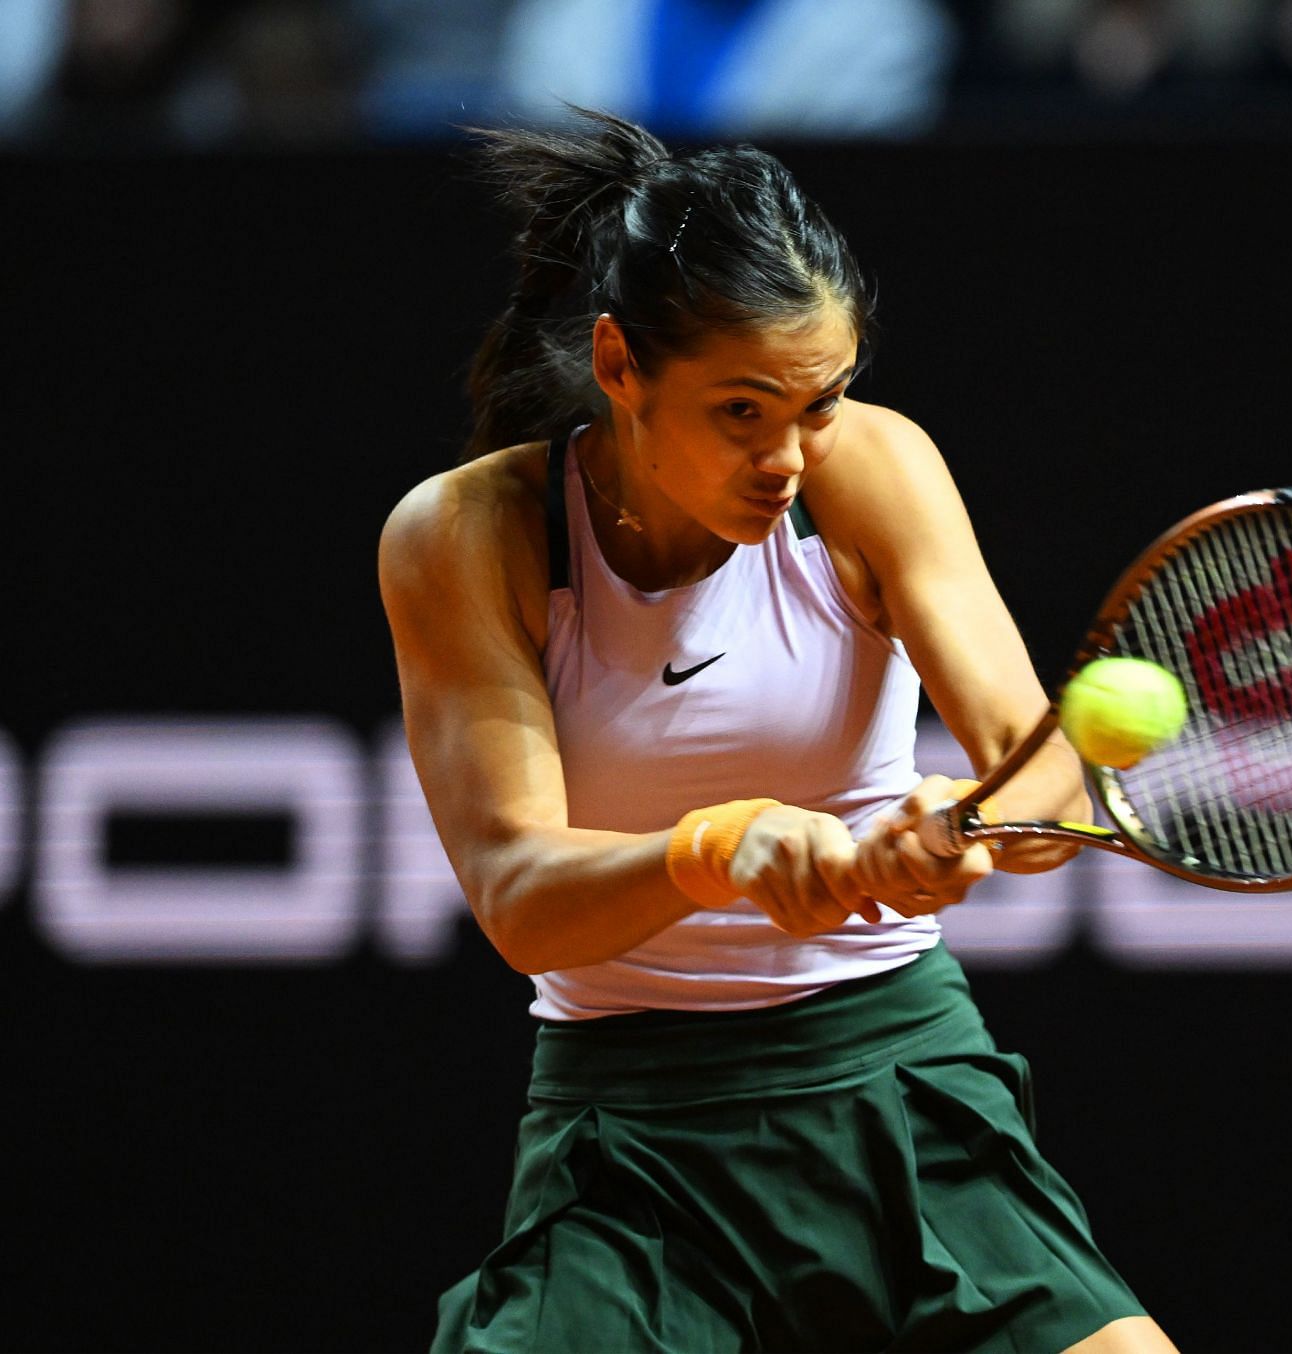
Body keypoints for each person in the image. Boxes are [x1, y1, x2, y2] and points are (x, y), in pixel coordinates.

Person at [378, 107, 1177, 1353]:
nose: (792, 456)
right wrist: (719, 847)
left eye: (822, 402)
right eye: (742, 411)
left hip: (902, 1081)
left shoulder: (875, 468)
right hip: (633, 1137)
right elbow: (519, 894)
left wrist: (979, 827)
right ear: (619, 364)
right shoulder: (467, 537)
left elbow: (1037, 759)